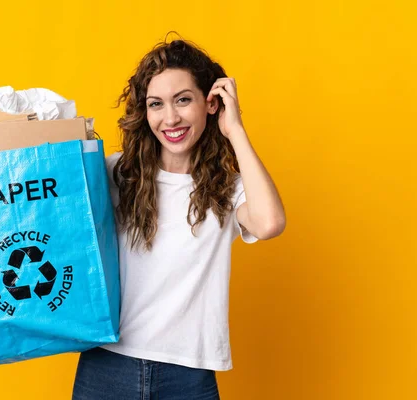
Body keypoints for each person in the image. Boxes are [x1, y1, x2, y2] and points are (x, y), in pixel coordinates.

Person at [72, 37, 286, 400]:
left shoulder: (227, 188)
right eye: (156, 104)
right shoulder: (116, 174)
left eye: (183, 100)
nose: (170, 118)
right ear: (145, 112)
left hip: (187, 375)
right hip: (106, 367)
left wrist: (235, 129)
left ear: (210, 103)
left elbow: (269, 223)